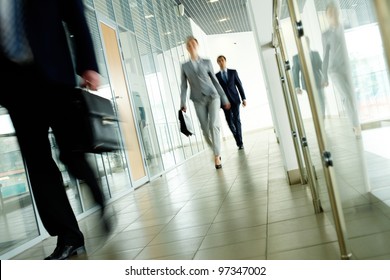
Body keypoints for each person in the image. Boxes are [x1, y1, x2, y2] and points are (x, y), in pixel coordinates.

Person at [0, 0, 109, 260]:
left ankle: (96, 191)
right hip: (15, 86)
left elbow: (75, 15)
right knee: (38, 164)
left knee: (71, 153)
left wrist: (88, 64)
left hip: (54, 77)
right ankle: (69, 237)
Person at [180, 36, 231, 169]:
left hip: (213, 96)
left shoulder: (207, 62)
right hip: (198, 100)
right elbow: (184, 86)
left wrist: (224, 98)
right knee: (205, 129)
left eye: (193, 43)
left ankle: (217, 156)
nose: (191, 46)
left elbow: (215, 81)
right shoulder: (185, 66)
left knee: (214, 125)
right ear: (187, 48)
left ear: (197, 45)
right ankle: (216, 151)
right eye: (188, 44)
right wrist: (182, 102)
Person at [321, 1, 361, 136]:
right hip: (335, 70)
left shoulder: (346, 27)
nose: (333, 15)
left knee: (351, 96)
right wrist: (324, 77)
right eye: (330, 13)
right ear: (327, 16)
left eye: (334, 12)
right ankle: (356, 126)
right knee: (347, 96)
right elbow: (325, 57)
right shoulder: (325, 35)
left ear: (338, 13)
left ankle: (355, 122)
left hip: (348, 67)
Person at [216, 55, 247, 150]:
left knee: (236, 120)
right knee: (229, 121)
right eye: (219, 61)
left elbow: (239, 85)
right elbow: (217, 90)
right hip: (225, 103)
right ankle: (237, 137)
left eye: (222, 60)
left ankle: (240, 142)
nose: (221, 62)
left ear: (225, 61)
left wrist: (244, 98)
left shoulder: (233, 72)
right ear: (218, 63)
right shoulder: (216, 76)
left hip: (235, 100)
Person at [292, 38, 325, 118]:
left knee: (322, 101)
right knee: (313, 103)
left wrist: (325, 78)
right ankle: (317, 118)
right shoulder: (296, 57)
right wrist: (297, 87)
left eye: (307, 42)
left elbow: (321, 67)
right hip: (307, 84)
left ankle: (322, 120)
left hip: (318, 81)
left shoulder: (315, 54)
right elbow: (295, 72)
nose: (306, 44)